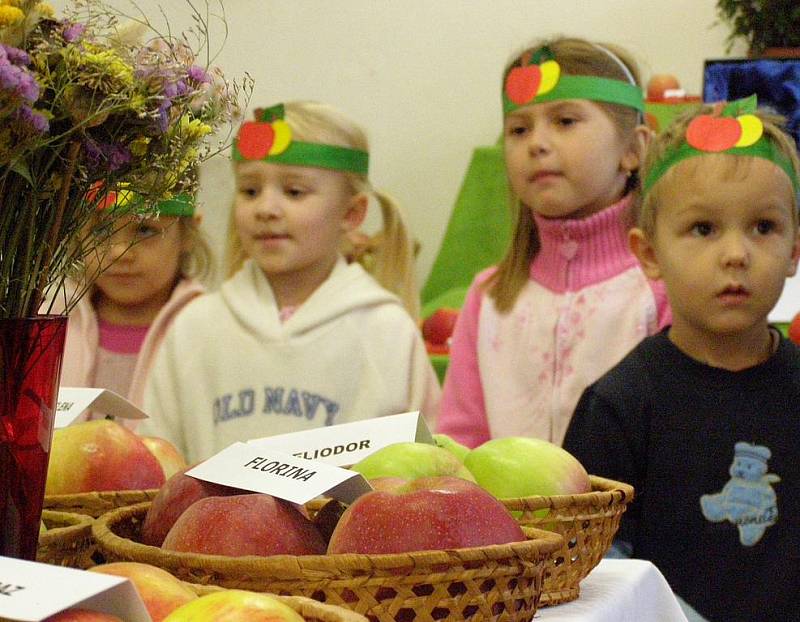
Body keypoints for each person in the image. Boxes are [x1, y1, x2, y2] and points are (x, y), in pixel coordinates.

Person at [563, 97, 800, 622]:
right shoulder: (617, 407)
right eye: (703, 229)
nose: (736, 253)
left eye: (763, 226)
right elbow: (592, 575)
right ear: (649, 253)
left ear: (794, 251)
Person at [140, 102, 440, 462]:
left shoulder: (387, 332)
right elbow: (158, 462)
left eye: (294, 192)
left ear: (351, 213)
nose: (265, 208)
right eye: (250, 191)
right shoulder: (194, 328)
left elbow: (425, 469)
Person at [436, 37, 670, 447]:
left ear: (633, 148)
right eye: (519, 129)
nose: (537, 143)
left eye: (565, 122)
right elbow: (459, 445)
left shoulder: (663, 289)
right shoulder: (490, 297)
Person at [58, 192, 210, 418]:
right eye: (101, 230)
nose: (119, 252)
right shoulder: (47, 324)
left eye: (144, 230)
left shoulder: (212, 329)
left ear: (188, 232)